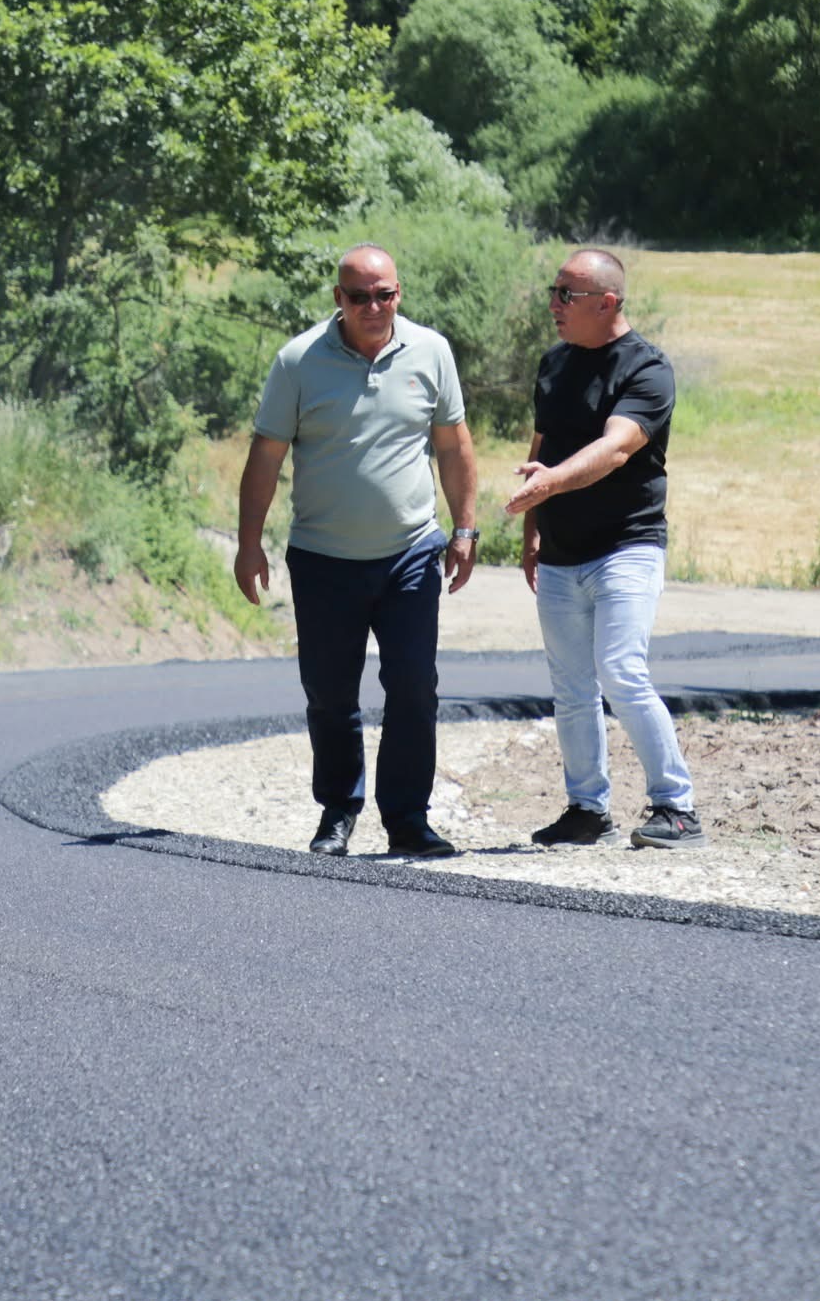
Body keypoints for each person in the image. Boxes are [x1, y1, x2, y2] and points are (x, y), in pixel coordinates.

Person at [234, 244, 480, 859]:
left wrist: (465, 528)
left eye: (384, 294)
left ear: (399, 293)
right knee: (331, 693)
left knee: (414, 688)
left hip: (410, 553)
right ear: (337, 299)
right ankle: (338, 812)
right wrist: (248, 543)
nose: (373, 306)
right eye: (358, 296)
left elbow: (452, 445)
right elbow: (266, 456)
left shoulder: (431, 352)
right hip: (323, 558)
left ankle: (407, 819)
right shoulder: (298, 360)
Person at [505, 247, 706, 850]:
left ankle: (677, 807)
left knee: (620, 670)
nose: (554, 305)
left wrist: (551, 481)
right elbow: (542, 443)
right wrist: (532, 529)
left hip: (627, 547)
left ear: (608, 303)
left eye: (568, 294)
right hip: (562, 553)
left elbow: (617, 448)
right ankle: (587, 810)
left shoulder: (647, 369)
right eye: (554, 291)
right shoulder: (555, 363)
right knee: (571, 686)